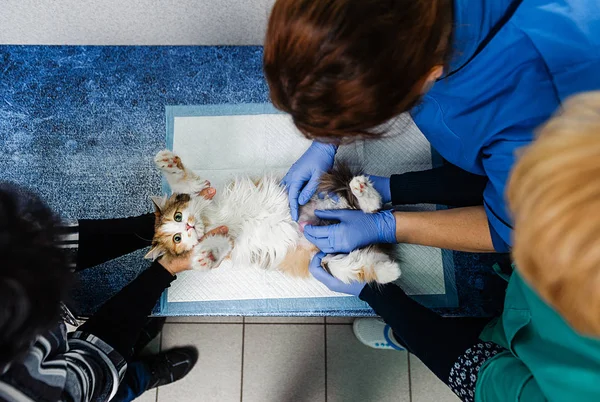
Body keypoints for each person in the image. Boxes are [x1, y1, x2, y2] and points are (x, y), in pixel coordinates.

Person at [319, 92, 600, 401]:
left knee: (446, 336)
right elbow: (510, 186)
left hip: (512, 354)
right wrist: (394, 189)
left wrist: (376, 294)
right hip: (540, 292)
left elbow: (467, 367)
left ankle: (403, 334)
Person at [265, 0, 600, 254]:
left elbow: (518, 230)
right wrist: (326, 137)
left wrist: (391, 226)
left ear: (428, 76)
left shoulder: (542, 115)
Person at [0, 183, 226, 402]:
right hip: (81, 387)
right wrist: (166, 269)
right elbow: (91, 369)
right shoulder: (20, 392)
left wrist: (157, 226)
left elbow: (44, 247)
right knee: (115, 388)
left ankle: (134, 340)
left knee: (124, 335)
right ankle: (141, 377)